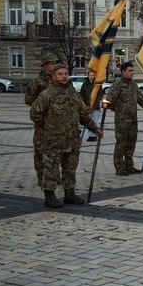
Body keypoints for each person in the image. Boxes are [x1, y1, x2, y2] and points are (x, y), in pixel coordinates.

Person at [29, 64, 102, 208]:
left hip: (72, 139)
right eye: (60, 74)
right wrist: (49, 127)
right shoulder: (47, 94)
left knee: (70, 168)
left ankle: (70, 194)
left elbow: (83, 114)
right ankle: (49, 196)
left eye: (66, 74)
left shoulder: (73, 94)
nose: (63, 77)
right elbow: (35, 114)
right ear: (54, 76)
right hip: (53, 141)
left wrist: (94, 129)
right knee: (51, 169)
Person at [105, 61, 143, 175]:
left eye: (133, 71)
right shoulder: (118, 85)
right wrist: (118, 109)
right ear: (123, 72)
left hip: (133, 121)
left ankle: (129, 166)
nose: (132, 73)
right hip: (122, 121)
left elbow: (142, 101)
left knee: (131, 144)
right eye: (130, 71)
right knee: (121, 144)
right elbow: (109, 101)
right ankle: (119, 167)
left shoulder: (134, 86)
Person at [24, 52, 59, 187]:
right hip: (43, 122)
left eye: (55, 63)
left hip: (57, 122)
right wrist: (40, 107)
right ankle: (41, 175)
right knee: (40, 149)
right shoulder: (38, 82)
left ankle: (55, 175)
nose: (54, 65)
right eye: (51, 63)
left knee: (56, 150)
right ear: (45, 65)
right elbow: (28, 100)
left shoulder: (58, 79)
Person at [79, 71, 100, 142]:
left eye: (92, 75)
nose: (91, 76)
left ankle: (95, 135)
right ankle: (90, 135)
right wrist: (85, 105)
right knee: (88, 121)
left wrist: (94, 105)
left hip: (95, 107)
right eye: (90, 75)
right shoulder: (85, 84)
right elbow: (82, 94)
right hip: (87, 106)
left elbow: (100, 96)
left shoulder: (97, 85)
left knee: (95, 121)